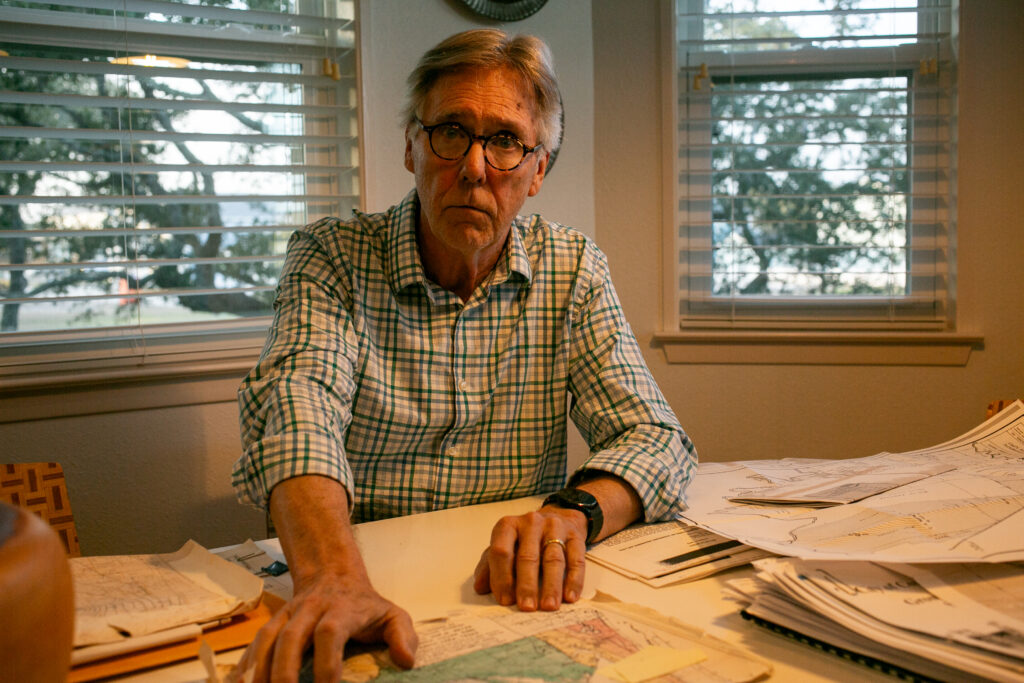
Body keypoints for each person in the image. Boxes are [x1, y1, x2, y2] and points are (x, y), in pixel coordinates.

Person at [231, 28, 697, 683]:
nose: (475, 168)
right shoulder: (330, 255)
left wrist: (574, 511)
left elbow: (656, 438)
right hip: (362, 588)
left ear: (537, 172)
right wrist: (333, 578)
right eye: (452, 130)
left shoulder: (574, 269)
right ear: (411, 146)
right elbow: (296, 410)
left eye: (505, 140)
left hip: (510, 596)